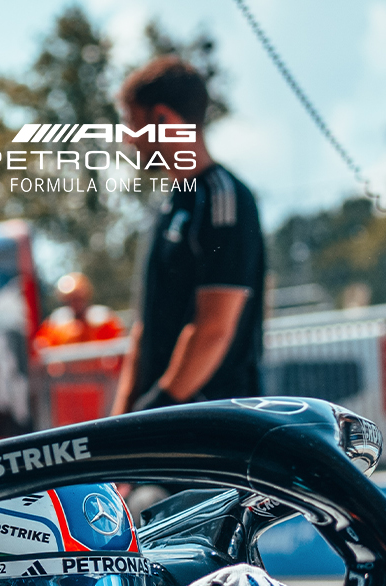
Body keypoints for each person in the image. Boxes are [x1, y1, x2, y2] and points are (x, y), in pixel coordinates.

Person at [109, 56, 265, 414]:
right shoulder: (167, 205)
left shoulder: (224, 198)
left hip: (213, 423)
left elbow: (213, 330)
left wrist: (154, 410)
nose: (128, 138)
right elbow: (145, 329)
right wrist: (121, 419)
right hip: (164, 419)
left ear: (162, 119)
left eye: (132, 122)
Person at [34, 271, 123, 350]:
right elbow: (41, 347)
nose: (74, 303)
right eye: (69, 299)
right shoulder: (55, 325)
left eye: (78, 298)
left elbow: (118, 346)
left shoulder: (104, 320)